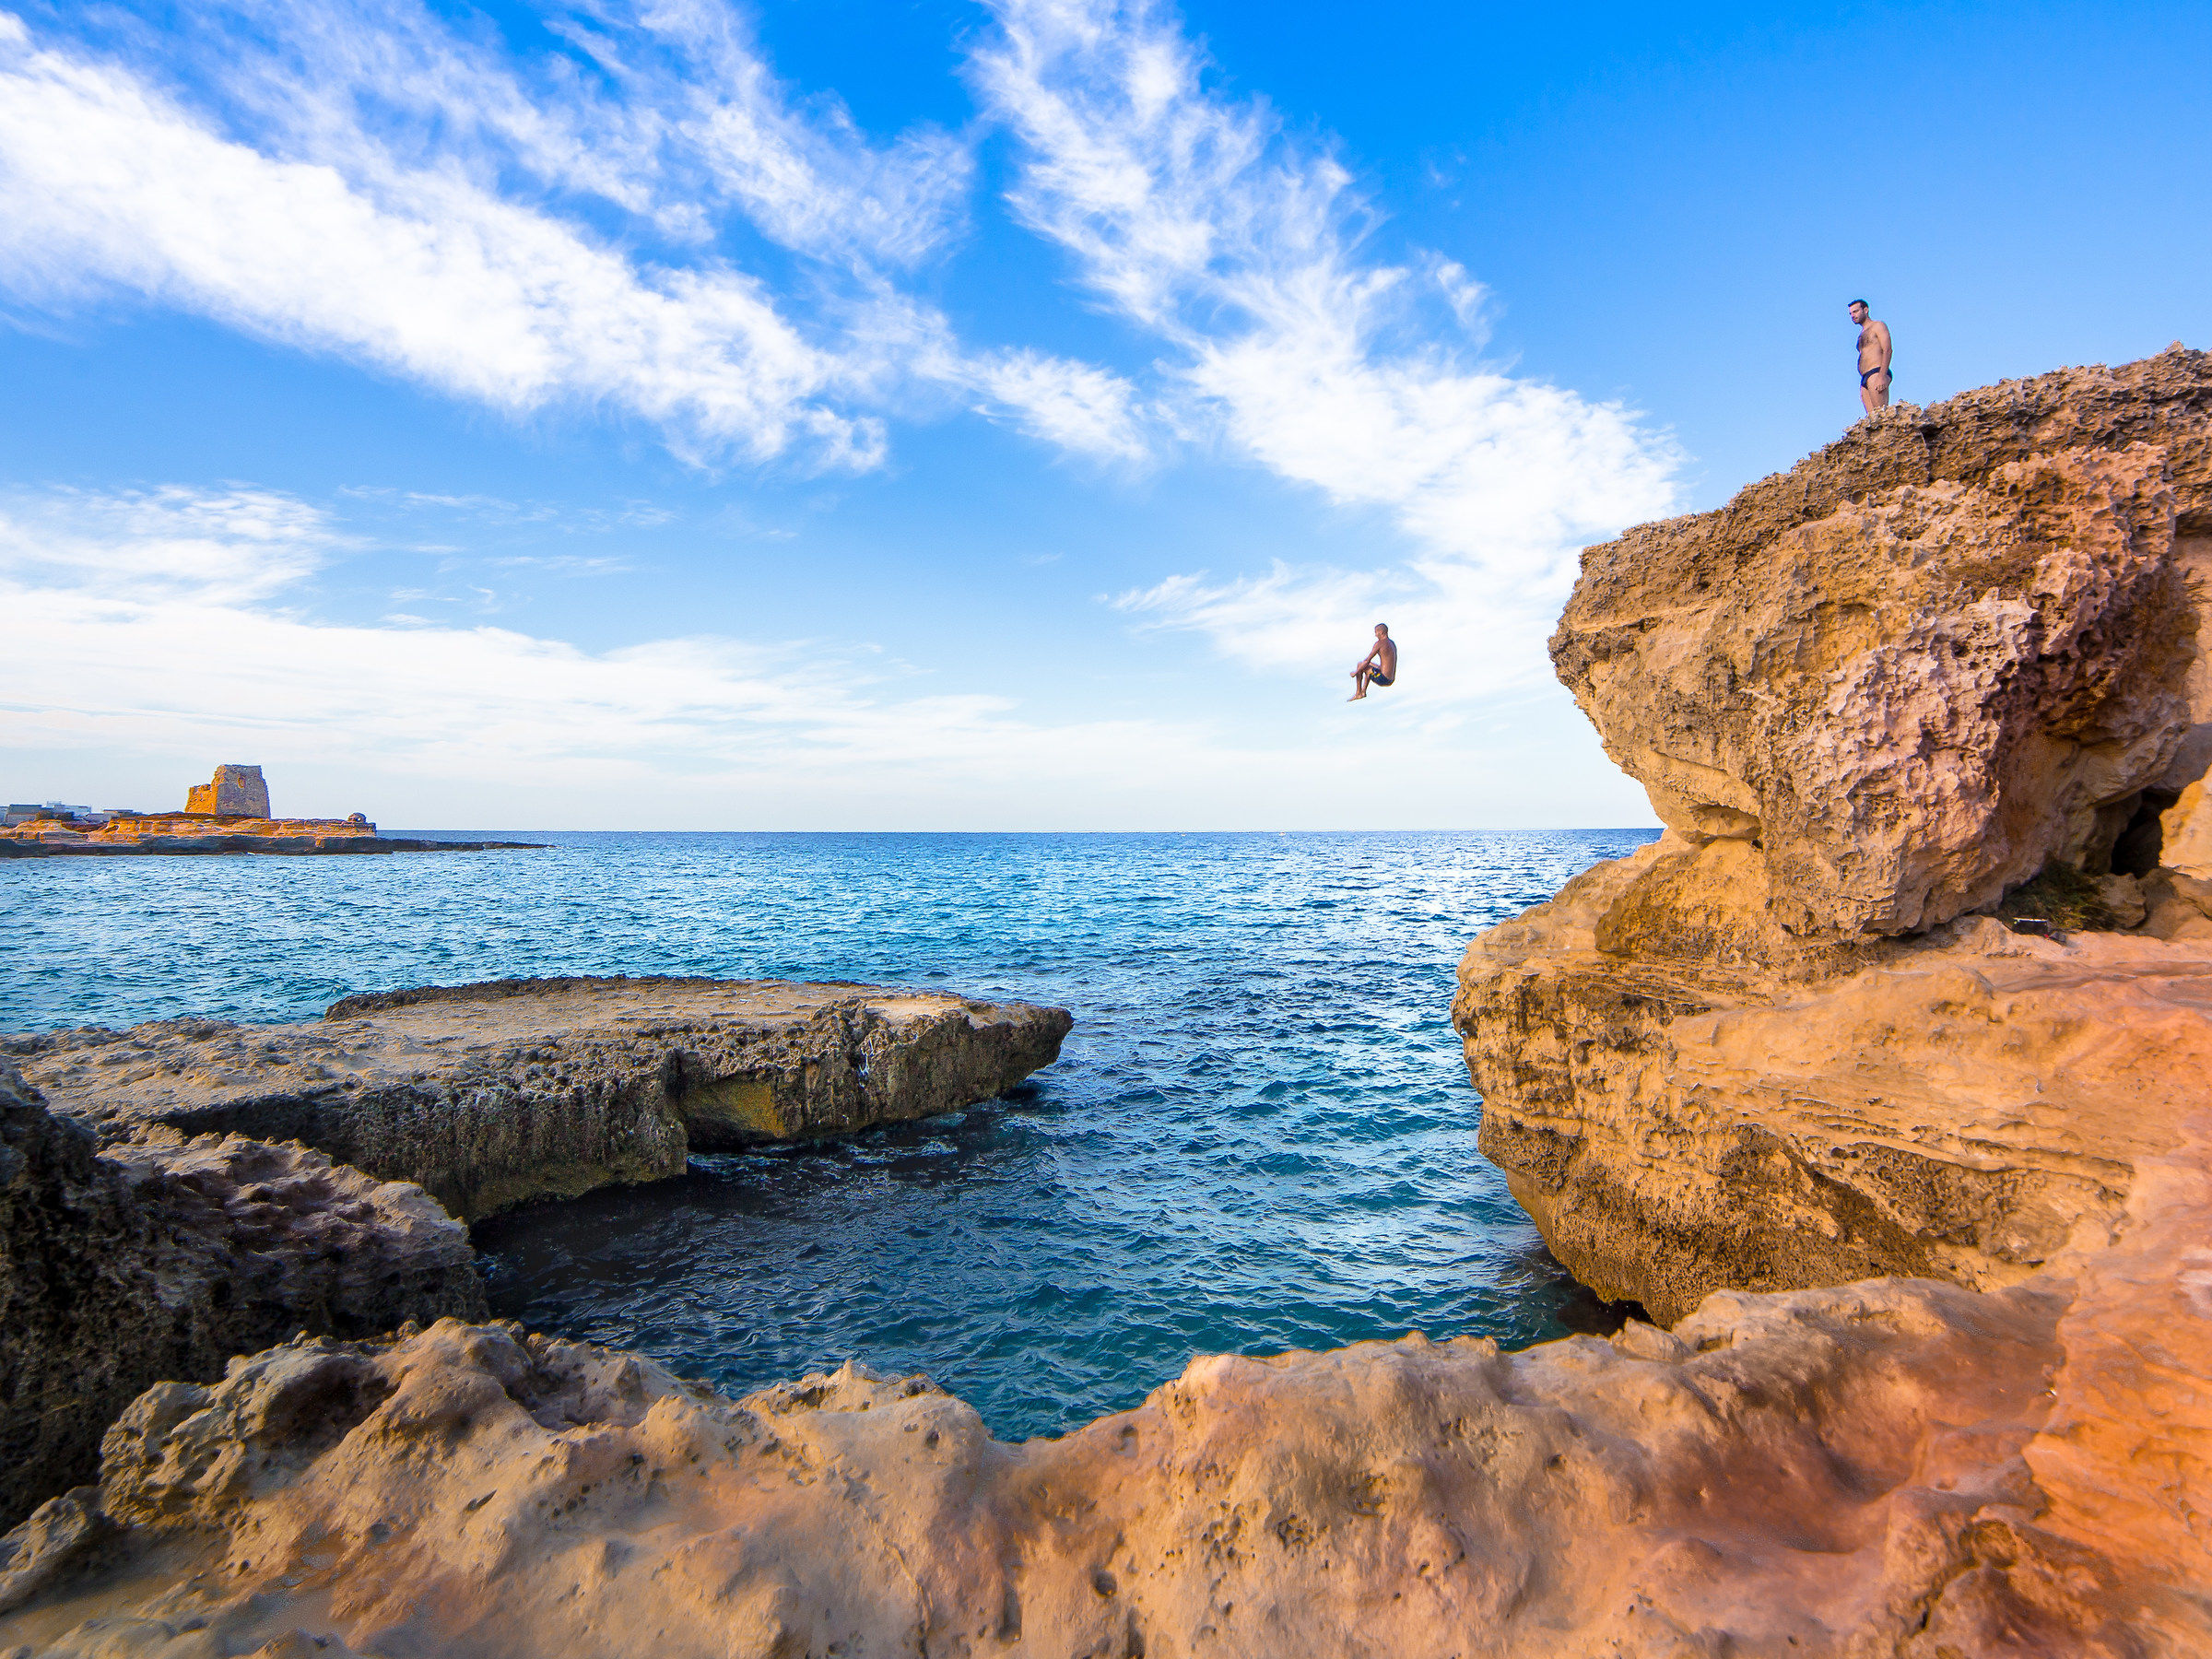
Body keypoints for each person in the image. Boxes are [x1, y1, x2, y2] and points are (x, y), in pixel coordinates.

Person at [1849, 299, 1892, 415]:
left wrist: (1882, 375)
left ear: (1866, 310)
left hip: (1876, 373)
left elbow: (1887, 350)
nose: (1853, 315)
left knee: (1882, 415)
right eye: (1851, 313)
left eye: (1855, 311)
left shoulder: (1877, 326)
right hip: (1865, 378)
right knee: (1872, 420)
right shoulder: (1861, 335)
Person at [1349, 623, 1397, 700]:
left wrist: (1355, 673)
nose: (1375, 635)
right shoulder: (1392, 643)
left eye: (1376, 632)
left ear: (1381, 632)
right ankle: (1363, 692)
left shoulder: (1379, 644)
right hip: (1391, 678)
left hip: (1383, 679)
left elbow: (1367, 660)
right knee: (1366, 665)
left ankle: (1359, 693)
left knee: (1361, 665)